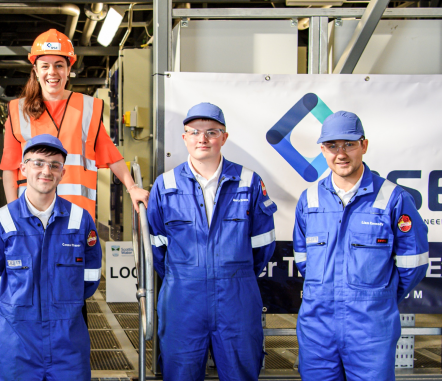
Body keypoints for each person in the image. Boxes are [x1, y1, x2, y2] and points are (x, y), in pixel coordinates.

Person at [293, 111, 429, 380]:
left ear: (364, 146)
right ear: (322, 150)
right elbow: (303, 260)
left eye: (349, 144)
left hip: (371, 331)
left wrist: (379, 298)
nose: (340, 154)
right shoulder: (309, 200)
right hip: (317, 330)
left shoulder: (393, 198)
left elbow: (413, 264)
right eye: (332, 146)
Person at [147, 103, 277, 381]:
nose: (202, 139)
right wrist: (184, 275)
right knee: (180, 373)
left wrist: (234, 274)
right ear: (184, 138)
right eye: (194, 132)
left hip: (236, 298)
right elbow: (157, 245)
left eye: (211, 132)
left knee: (240, 373)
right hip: (183, 298)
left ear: (224, 137)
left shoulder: (248, 182)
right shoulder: (165, 184)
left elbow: (262, 245)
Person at [0, 134, 102, 381]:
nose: (46, 171)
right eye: (37, 163)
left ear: (63, 173)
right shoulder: (1, 220)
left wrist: (63, 305)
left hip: (67, 343)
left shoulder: (80, 220)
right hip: (17, 343)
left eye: (54, 165)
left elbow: (90, 279)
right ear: (23, 168)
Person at [0, 28, 148, 220]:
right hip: (31, 215)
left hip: (76, 217)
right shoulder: (18, 111)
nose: (52, 72)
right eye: (45, 66)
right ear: (35, 70)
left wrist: (132, 188)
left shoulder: (87, 108)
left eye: (59, 65)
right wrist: (14, 214)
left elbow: (111, 154)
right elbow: (9, 169)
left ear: (69, 69)